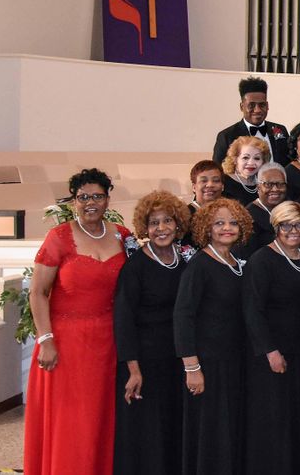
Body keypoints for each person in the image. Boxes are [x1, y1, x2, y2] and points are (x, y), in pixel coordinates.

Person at [25, 168, 132, 475]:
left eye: (97, 196)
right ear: (73, 202)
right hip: (65, 345)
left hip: (108, 343)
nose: (90, 203)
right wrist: (46, 340)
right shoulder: (58, 238)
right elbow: (37, 292)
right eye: (83, 197)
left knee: (101, 418)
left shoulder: (121, 236)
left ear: (108, 199)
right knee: (71, 421)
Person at [114, 189, 192, 475]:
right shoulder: (135, 268)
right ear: (145, 229)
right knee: (148, 434)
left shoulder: (185, 262)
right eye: (154, 223)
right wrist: (133, 370)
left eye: (167, 221)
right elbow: (123, 320)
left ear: (178, 224)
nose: (161, 229)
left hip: (177, 361)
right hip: (144, 363)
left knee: (174, 428)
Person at [174, 197, 253, 475]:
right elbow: (183, 316)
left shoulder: (236, 262)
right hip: (208, 364)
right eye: (219, 223)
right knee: (212, 433)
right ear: (207, 227)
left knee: (230, 431)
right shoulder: (199, 265)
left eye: (232, 223)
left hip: (235, 361)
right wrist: (192, 367)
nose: (226, 228)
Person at [242, 201, 300, 475]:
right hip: (272, 355)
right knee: (274, 419)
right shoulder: (262, 260)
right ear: (276, 228)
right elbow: (253, 311)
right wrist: (270, 351)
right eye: (287, 225)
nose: (294, 231)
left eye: (299, 225)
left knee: (294, 418)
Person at [212, 76, 289, 165]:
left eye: (262, 105)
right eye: (251, 105)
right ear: (242, 106)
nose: (257, 110)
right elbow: (218, 170)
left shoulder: (280, 130)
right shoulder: (227, 136)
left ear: (267, 106)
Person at [243, 161, 288, 257]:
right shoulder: (247, 217)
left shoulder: (289, 211)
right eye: (268, 184)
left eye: (280, 184)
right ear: (258, 187)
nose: (275, 189)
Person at [220, 135, 269, 206]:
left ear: (263, 162)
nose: (251, 163)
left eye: (257, 158)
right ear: (235, 159)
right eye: (245, 158)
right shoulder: (223, 182)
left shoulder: (264, 183)